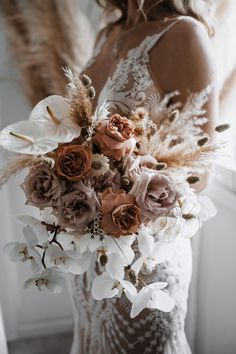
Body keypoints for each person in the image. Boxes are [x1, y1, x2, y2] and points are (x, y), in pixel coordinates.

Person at [70, 1, 218, 353]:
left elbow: (199, 174)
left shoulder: (183, 35)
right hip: (88, 246)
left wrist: (122, 180)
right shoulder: (110, 32)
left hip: (143, 259)